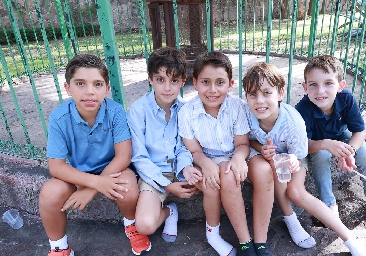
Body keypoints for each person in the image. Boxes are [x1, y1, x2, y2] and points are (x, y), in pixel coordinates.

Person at [242, 62, 366, 256]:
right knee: (272, 168)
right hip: (266, 156)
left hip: (295, 153)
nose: (259, 101)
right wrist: (263, 149)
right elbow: (249, 140)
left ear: (280, 93)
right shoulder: (245, 114)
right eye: (252, 94)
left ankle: (350, 240)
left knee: (296, 191)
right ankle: (291, 219)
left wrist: (293, 159)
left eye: (266, 93)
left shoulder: (293, 121)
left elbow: (300, 151)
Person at [39, 54, 139, 256]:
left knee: (128, 188)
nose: (90, 92)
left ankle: (132, 226)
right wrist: (92, 183)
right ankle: (59, 246)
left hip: (113, 169)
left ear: (107, 89)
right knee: (50, 194)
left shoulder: (116, 111)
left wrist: (92, 188)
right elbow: (56, 167)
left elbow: (123, 156)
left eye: (98, 84)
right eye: (80, 84)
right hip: (78, 171)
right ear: (68, 88)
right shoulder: (59, 117)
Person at [178, 52, 264, 256]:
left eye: (220, 82)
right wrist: (205, 163)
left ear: (230, 83)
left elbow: (242, 144)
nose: (213, 90)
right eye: (205, 82)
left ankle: (252, 241)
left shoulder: (236, 107)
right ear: (195, 83)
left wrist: (238, 158)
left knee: (230, 172)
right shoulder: (187, 113)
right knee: (221, 176)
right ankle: (243, 240)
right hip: (206, 157)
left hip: (235, 154)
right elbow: (194, 150)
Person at [295, 55, 366, 223]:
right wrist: (326, 144)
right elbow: (303, 146)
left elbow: (359, 132)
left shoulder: (346, 98)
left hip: (340, 134)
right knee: (321, 157)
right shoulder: (302, 109)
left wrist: (350, 152)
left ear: (340, 86)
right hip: (316, 142)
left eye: (328, 83)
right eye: (313, 84)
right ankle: (329, 205)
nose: (320, 91)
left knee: (365, 153)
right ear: (305, 87)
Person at [127, 47, 202, 254]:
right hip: (153, 176)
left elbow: (184, 146)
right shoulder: (138, 111)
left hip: (179, 170)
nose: (167, 88)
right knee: (144, 226)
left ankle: (215, 232)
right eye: (160, 80)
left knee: (211, 181)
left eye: (174, 80)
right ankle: (170, 211)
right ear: (150, 79)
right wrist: (168, 185)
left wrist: (187, 168)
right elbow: (139, 157)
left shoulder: (184, 109)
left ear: (183, 80)